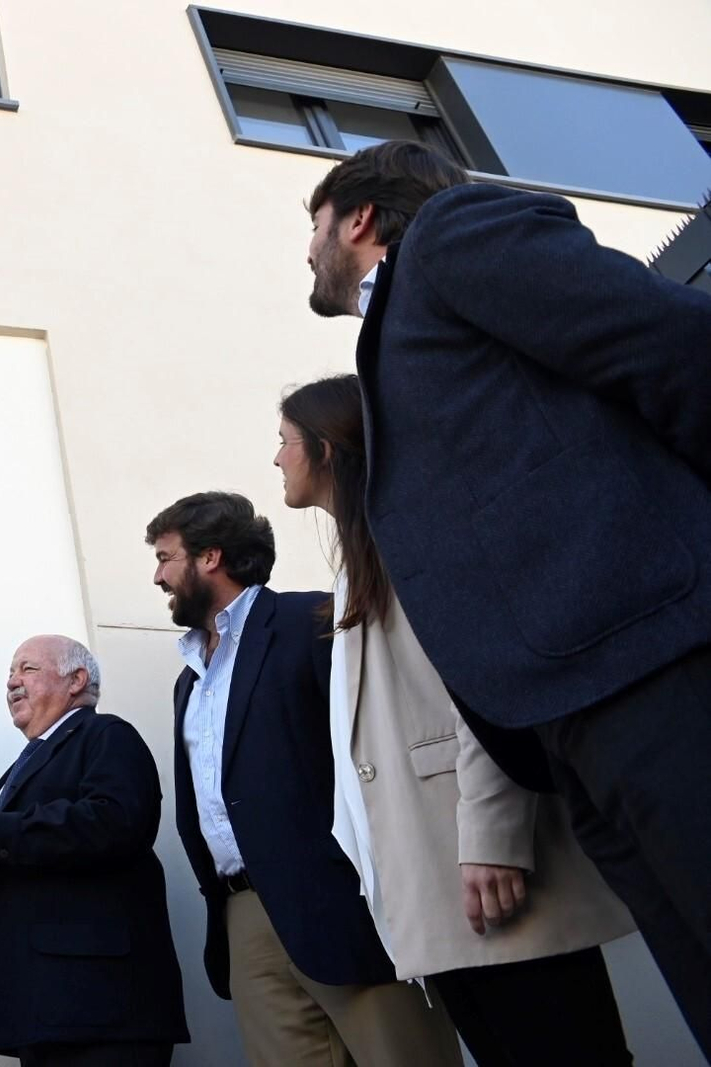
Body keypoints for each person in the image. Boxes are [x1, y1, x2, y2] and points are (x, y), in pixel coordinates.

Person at [301, 139, 711, 1055]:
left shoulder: (452, 235)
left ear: (360, 217)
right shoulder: (396, 329)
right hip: (570, 723)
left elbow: (670, 339)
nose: (310, 245)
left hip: (651, 661)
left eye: (314, 221)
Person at [277, 374, 636, 1065]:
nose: (276, 459)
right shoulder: (360, 560)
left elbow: (486, 681)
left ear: (325, 448)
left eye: (284, 441)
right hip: (438, 882)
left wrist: (495, 834)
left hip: (480, 866)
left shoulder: (414, 531)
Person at [146, 493, 459, 1067]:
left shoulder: (311, 623)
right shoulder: (187, 681)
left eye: (166, 557)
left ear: (211, 556)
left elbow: (375, 753)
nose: (158, 576)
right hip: (242, 915)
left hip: (341, 903)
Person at [0, 635, 188, 1067]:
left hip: (102, 1012)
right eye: (10, 673)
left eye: (27, 669)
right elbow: (20, 859)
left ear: (77, 680)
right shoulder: (30, 760)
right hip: (49, 1013)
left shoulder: (106, 735)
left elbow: (118, 824)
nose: (12, 682)